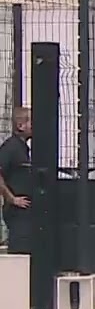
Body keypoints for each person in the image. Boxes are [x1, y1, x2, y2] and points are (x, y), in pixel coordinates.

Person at [0, 108, 33, 254]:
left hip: (26, 209)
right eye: (31, 121)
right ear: (20, 126)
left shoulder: (23, 148)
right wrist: (11, 198)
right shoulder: (10, 147)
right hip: (17, 210)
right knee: (20, 250)